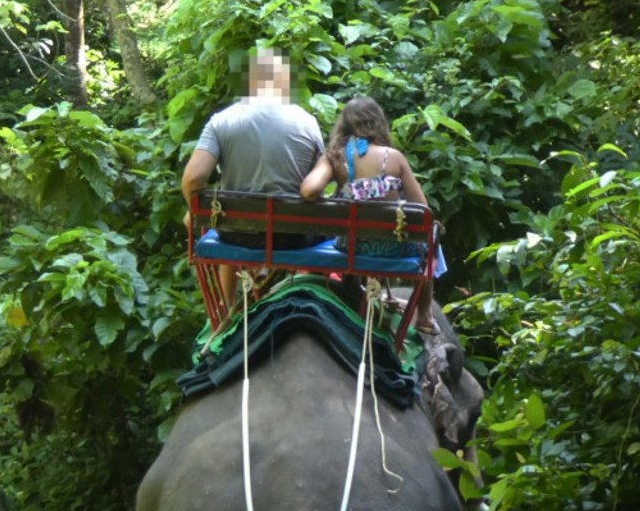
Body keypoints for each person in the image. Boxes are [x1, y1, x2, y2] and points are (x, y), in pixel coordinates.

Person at [181, 48, 325, 305]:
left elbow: (193, 179)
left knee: (227, 220)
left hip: (236, 233)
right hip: (294, 237)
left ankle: (227, 306)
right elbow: (318, 185)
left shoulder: (222, 121)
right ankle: (316, 300)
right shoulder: (307, 121)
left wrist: (194, 211)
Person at [299, 95, 443, 333]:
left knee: (351, 230)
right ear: (377, 123)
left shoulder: (335, 156)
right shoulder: (393, 158)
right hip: (393, 248)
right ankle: (425, 315)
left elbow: (310, 189)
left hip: (350, 246)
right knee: (431, 234)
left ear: (344, 125)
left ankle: (352, 289)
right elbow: (422, 210)